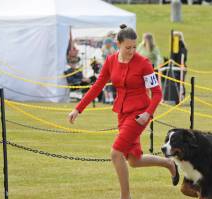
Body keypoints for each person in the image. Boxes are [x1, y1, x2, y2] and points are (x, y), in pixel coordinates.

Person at [68, 24, 179, 199]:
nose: (132, 51)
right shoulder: (111, 61)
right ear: (118, 44)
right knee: (134, 161)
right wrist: (78, 108)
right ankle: (169, 164)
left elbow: (157, 94)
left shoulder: (144, 63)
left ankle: (125, 197)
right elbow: (97, 87)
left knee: (116, 153)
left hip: (139, 114)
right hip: (122, 113)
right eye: (128, 47)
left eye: (135, 47)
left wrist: (147, 113)